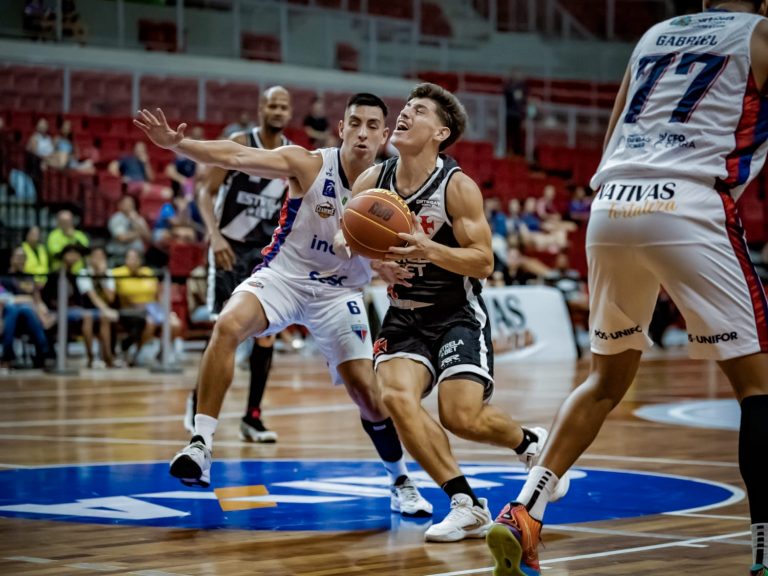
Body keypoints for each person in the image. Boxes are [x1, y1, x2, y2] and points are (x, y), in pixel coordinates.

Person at [486, 3, 768, 575]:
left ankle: (526, 510)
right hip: (690, 200)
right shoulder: (761, 34)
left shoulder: (655, 34)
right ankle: (765, 552)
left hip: (612, 203)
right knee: (759, 389)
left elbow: (616, 127)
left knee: (604, 381)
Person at [134, 94, 433, 518]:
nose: (363, 133)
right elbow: (236, 155)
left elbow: (397, 246)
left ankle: (400, 479)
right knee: (228, 324)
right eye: (355, 123)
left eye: (372, 125)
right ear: (341, 128)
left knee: (367, 394)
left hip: (339, 294)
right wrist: (177, 144)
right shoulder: (308, 164)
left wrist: (386, 264)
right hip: (285, 278)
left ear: (385, 135)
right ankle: (200, 444)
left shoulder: (394, 189)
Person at [350, 83, 566, 543]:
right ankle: (466, 504)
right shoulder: (372, 182)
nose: (405, 114)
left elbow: (484, 262)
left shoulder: (457, 186)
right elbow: (344, 236)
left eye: (419, 111)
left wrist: (428, 250)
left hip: (456, 314)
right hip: (403, 314)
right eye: (405, 108)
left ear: (440, 133)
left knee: (460, 416)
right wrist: (375, 262)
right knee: (396, 399)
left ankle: (528, 442)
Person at [185, 85, 293, 443]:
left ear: (289, 113)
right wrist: (214, 236)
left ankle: (253, 416)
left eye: (283, 107)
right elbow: (205, 192)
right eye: (272, 105)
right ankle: (199, 404)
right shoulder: (240, 142)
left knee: (267, 337)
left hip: (266, 255)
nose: (278, 112)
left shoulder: (292, 155)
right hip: (229, 248)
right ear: (261, 108)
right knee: (224, 332)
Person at [76, 246, 119, 368]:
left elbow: (111, 298)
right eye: (95, 256)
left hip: (104, 309)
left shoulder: (108, 273)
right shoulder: (84, 273)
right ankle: (91, 357)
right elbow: (92, 296)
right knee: (88, 317)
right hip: (87, 308)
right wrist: (106, 310)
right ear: (90, 258)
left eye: (101, 257)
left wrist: (102, 277)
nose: (98, 259)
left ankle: (108, 356)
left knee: (104, 318)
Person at [107, 195, 151, 263]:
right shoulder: (116, 219)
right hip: (121, 256)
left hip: (139, 257)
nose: (130, 205)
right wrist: (140, 232)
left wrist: (136, 221)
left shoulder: (138, 218)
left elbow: (149, 237)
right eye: (127, 203)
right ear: (120, 205)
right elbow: (122, 238)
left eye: (131, 203)